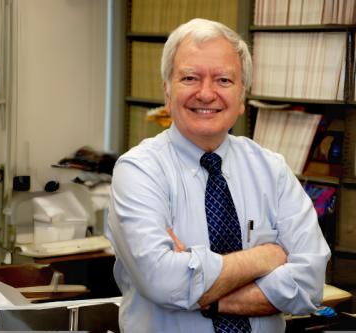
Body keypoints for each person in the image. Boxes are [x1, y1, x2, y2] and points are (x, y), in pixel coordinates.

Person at [108, 18, 331, 333]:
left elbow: (309, 286)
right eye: (190, 77)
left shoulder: (273, 171)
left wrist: (205, 294)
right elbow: (161, 281)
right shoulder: (138, 170)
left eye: (224, 80)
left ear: (241, 97)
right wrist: (265, 258)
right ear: (167, 92)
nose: (206, 93)